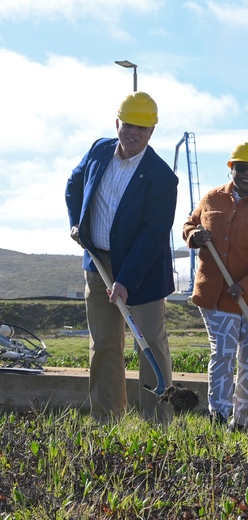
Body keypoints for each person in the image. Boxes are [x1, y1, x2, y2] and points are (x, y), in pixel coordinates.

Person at [65, 92, 179, 422]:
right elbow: (74, 183)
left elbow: (153, 235)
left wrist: (126, 280)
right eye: (128, 124)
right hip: (98, 266)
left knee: (150, 348)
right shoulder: (99, 150)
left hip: (142, 271)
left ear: (152, 131)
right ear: (118, 122)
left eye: (141, 128)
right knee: (104, 345)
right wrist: (76, 222)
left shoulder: (161, 177)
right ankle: (107, 420)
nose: (133, 132)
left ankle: (158, 424)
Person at [182, 143, 248, 430]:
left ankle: (242, 421)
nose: (246, 174)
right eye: (240, 167)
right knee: (223, 354)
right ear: (231, 168)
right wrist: (194, 235)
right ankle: (219, 415)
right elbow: (189, 224)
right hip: (217, 297)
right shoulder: (212, 198)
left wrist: (246, 284)